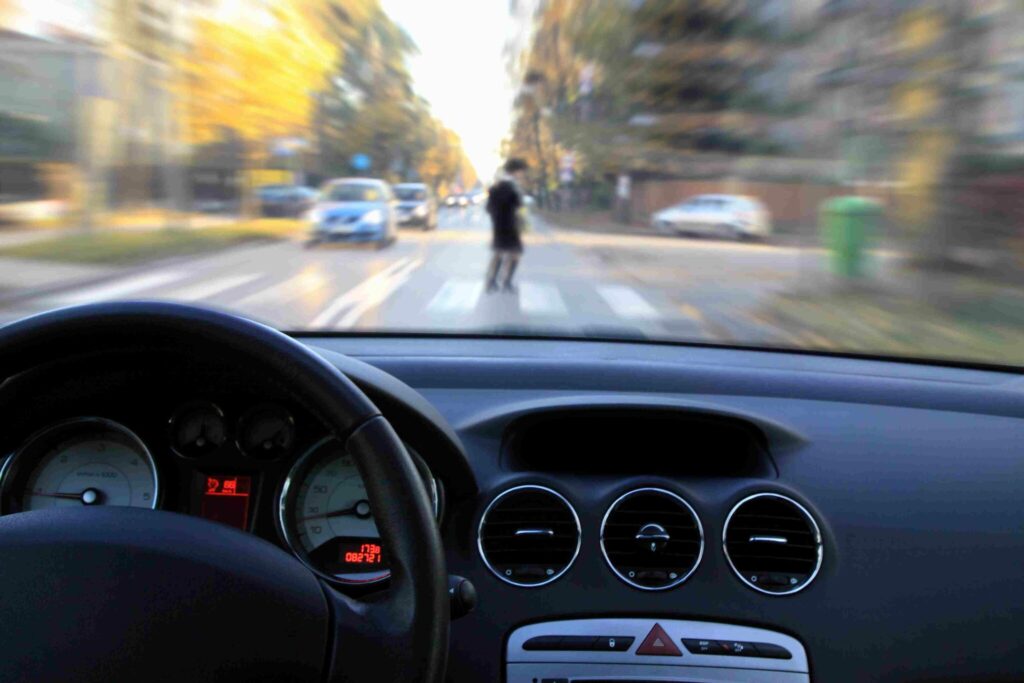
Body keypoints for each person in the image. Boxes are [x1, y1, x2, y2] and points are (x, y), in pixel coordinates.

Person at [485, 158, 528, 293]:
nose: (522, 175)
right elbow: (519, 204)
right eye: (521, 171)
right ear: (516, 171)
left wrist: (496, 218)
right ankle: (505, 281)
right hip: (510, 224)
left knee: (499, 252)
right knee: (514, 253)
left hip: (499, 224)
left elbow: (488, 208)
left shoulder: (496, 186)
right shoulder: (512, 186)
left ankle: (492, 281)